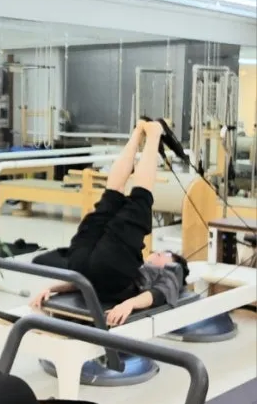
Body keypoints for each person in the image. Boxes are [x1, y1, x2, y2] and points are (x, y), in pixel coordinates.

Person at [30, 120, 189, 327]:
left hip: (107, 267)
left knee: (139, 198)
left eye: (165, 254)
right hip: (81, 266)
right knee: (112, 196)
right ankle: (139, 133)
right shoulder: (140, 267)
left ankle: (151, 133)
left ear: (172, 263)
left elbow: (156, 295)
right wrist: (51, 289)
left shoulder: (171, 272)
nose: (158, 252)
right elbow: (84, 282)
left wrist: (129, 304)